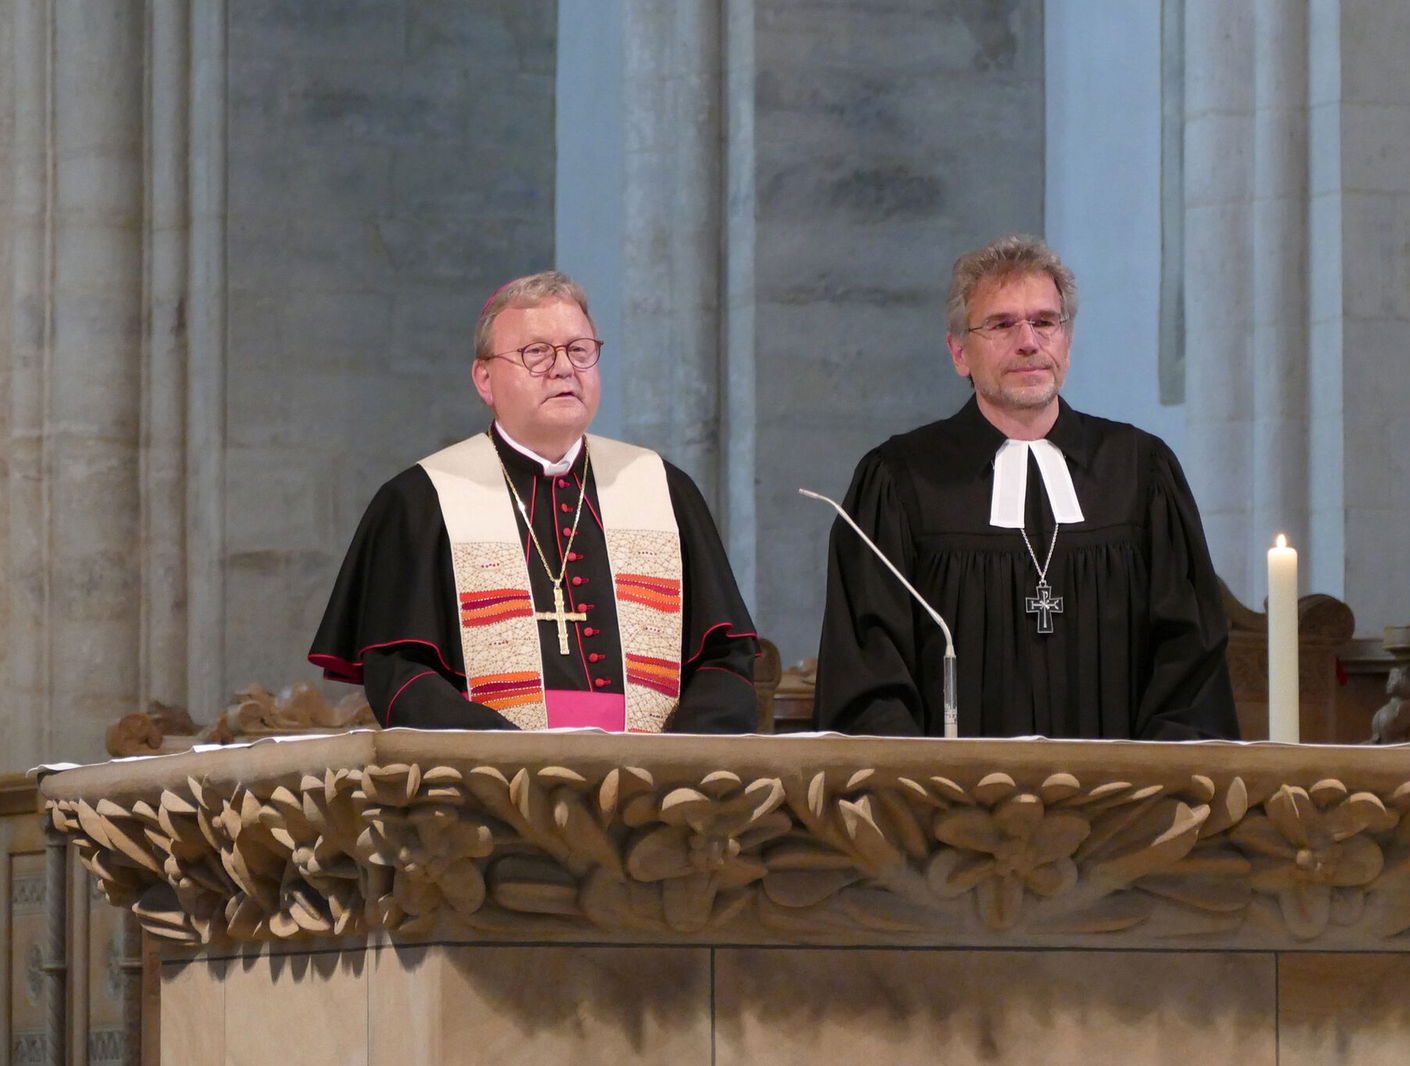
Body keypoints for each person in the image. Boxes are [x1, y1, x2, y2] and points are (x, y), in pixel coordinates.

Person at [814, 235, 1238, 740]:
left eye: (1044, 321)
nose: (1028, 342)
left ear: (1067, 341)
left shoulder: (1139, 471)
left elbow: (1189, 661)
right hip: (949, 806)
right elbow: (869, 670)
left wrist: (1151, 792)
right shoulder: (901, 479)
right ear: (958, 352)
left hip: (1120, 802)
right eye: (1000, 324)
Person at [310, 272, 759, 733]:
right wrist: (511, 758)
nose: (565, 368)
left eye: (580, 350)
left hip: (655, 787)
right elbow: (401, 675)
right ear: (485, 379)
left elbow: (725, 661)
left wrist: (677, 758)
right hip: (491, 784)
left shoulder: (665, 490)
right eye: (537, 353)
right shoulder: (421, 500)